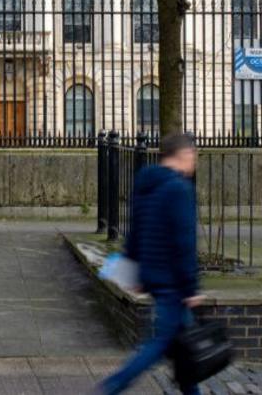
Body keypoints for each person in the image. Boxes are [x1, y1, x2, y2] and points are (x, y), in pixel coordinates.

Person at [99, 132, 203, 395]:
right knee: (158, 345)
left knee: (183, 347)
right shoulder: (179, 189)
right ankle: (112, 386)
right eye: (194, 156)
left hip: (153, 275)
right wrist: (191, 288)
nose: (195, 162)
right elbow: (184, 242)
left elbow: (135, 232)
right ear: (184, 154)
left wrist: (134, 271)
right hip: (173, 281)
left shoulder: (146, 184)